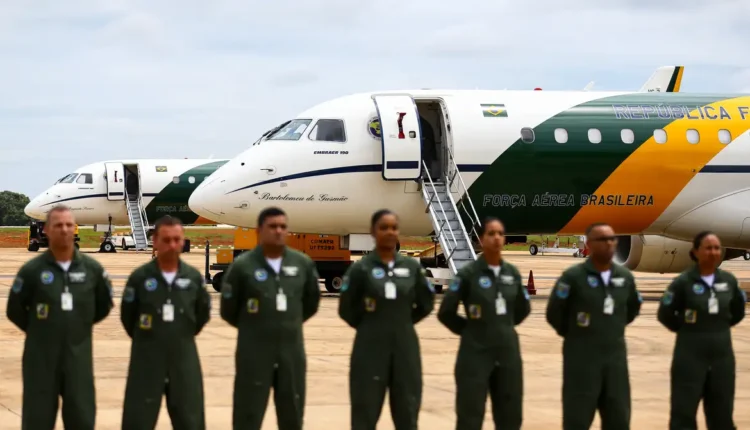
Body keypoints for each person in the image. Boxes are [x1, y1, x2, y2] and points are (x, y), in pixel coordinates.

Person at [6, 205, 113, 430]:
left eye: (68, 225)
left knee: (82, 418)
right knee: (37, 419)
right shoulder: (31, 271)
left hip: (78, 357)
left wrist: (77, 325)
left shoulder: (92, 270)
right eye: (58, 225)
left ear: (74, 229)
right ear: (46, 230)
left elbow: (103, 305)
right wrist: (41, 329)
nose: (64, 230)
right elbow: (14, 310)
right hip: (40, 359)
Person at [220, 206, 321, 430]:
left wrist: (287, 322)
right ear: (259, 230)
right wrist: (256, 325)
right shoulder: (243, 266)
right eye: (272, 226)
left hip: (291, 352)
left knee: (292, 414)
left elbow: (311, 303)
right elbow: (229, 309)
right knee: (248, 413)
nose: (278, 231)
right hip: (253, 352)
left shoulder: (302, 264)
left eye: (283, 227)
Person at [338, 209, 435, 430]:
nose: (389, 232)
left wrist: (400, 320)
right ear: (373, 232)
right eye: (383, 228)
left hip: (405, 347)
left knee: (407, 411)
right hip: (369, 347)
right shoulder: (360, 269)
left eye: (393, 228)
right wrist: (371, 324)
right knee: (365, 412)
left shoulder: (412, 268)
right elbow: (346, 309)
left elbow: (426, 303)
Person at [545, 222, 643, 430]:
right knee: (577, 419)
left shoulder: (624, 278)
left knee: (618, 419)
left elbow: (632, 309)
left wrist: (609, 328)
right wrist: (577, 335)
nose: (609, 244)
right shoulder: (573, 278)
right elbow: (555, 313)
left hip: (615, 362)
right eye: (602, 240)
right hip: (581, 362)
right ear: (589, 244)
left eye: (612, 239)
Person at [437, 216, 531, 430]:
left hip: (507, 353)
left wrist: (502, 326)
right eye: (491, 233)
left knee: (510, 414)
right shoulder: (468, 275)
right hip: (474, 353)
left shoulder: (512, 274)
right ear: (481, 240)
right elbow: (446, 312)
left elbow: (523, 308)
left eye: (500, 233)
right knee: (470, 413)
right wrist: (471, 331)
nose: (496, 238)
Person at [119, 215, 212, 429]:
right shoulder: (139, 278)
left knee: (190, 419)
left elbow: (201, 315)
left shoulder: (193, 278)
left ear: (183, 241)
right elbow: (128, 317)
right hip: (146, 360)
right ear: (155, 241)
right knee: (138, 419)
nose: (172, 245)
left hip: (184, 360)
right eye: (166, 239)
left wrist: (177, 334)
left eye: (177, 239)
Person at [657, 231, 747, 430]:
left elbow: (737, 311)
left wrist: (717, 328)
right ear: (695, 252)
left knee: (722, 415)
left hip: (722, 360)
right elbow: (665, 314)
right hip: (689, 358)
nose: (713, 252)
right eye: (708, 248)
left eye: (716, 248)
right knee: (683, 415)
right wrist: (692, 330)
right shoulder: (683, 283)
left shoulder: (729, 282)